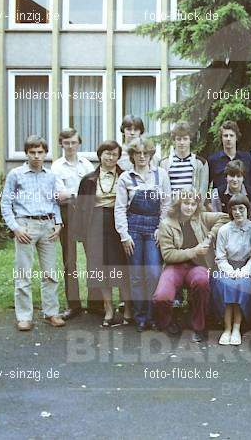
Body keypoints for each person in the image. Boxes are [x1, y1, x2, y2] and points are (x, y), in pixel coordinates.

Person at [1, 135, 64, 331]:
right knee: (23, 273)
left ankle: (51, 312)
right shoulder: (16, 175)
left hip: (47, 226)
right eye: (32, 152)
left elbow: (54, 202)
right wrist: (15, 228)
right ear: (26, 153)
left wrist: (58, 223)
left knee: (50, 273)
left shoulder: (51, 175)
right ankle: (24, 316)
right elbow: (5, 203)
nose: (36, 156)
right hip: (25, 226)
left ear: (45, 153)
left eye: (40, 152)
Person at [154, 188, 229, 342]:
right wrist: (194, 250)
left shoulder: (200, 217)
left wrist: (209, 236)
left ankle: (199, 326)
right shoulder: (167, 224)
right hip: (175, 266)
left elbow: (224, 217)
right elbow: (168, 254)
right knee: (161, 297)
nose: (189, 207)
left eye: (193, 204)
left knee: (202, 282)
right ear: (179, 203)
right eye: (186, 203)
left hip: (197, 266)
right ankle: (168, 321)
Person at [115, 138, 171, 332]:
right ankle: (140, 317)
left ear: (150, 155)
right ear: (132, 156)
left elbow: (166, 204)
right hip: (133, 230)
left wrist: (160, 228)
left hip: (154, 228)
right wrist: (124, 235)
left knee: (154, 273)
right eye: (137, 153)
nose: (141, 157)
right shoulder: (125, 178)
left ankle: (153, 315)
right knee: (137, 275)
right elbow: (120, 208)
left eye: (145, 153)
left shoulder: (160, 175)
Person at [75, 140, 131, 327]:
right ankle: (108, 308)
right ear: (100, 155)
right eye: (106, 153)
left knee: (120, 266)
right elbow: (81, 208)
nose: (110, 157)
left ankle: (128, 307)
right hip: (95, 224)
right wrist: (81, 234)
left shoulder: (126, 176)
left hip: (118, 224)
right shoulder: (89, 179)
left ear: (118, 157)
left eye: (114, 154)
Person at [51, 128, 95, 320]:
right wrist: (78, 194)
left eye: (73, 143)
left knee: (94, 258)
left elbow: (92, 192)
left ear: (79, 144)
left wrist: (73, 194)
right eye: (66, 143)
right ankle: (73, 305)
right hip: (67, 214)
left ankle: (96, 304)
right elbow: (59, 196)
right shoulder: (56, 167)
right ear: (61, 144)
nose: (70, 146)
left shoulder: (87, 165)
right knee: (70, 261)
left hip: (87, 215)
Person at [212, 194, 251, 346]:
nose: (237, 212)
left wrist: (244, 271)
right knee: (226, 285)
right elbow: (220, 257)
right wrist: (230, 271)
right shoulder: (224, 230)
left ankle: (237, 327)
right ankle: (227, 328)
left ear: (247, 209)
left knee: (242, 285)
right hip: (225, 268)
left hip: (246, 268)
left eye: (241, 208)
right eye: (234, 209)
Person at [159, 121, 209, 198]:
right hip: (171, 208)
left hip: (192, 207)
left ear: (190, 140)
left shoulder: (201, 163)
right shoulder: (164, 163)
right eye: (179, 139)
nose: (182, 142)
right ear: (174, 141)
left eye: (185, 139)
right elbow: (161, 191)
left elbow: (203, 191)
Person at [208, 120, 251, 193]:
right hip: (221, 202)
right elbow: (206, 185)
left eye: (231, 135)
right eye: (225, 136)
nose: (228, 139)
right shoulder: (213, 160)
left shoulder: (248, 158)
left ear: (236, 137)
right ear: (221, 138)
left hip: (244, 201)